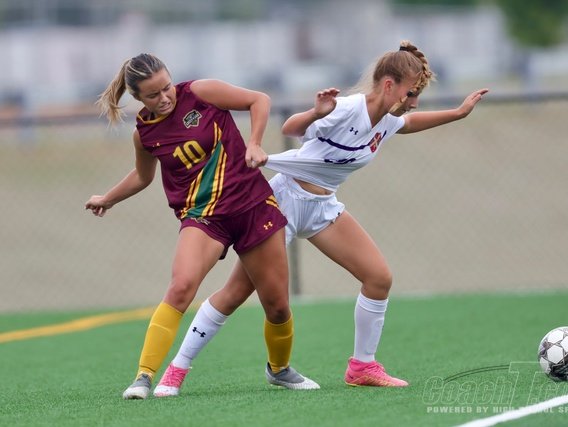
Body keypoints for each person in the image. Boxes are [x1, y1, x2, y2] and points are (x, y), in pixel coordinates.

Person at [154, 40, 488, 396]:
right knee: (235, 293)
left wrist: (458, 113)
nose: (414, 102)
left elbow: (408, 123)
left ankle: (362, 367)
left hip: (322, 207)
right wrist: (316, 113)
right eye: (411, 93)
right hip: (281, 202)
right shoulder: (348, 109)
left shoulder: (387, 120)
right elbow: (291, 128)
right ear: (389, 85)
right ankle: (176, 370)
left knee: (378, 278)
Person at [85, 53, 319, 400]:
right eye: (153, 95)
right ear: (137, 98)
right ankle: (143, 377)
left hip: (253, 207)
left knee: (277, 306)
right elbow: (143, 176)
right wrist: (108, 198)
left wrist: (254, 142)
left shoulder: (201, 92)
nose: (164, 97)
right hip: (203, 217)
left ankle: (279, 369)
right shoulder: (144, 135)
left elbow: (259, 100)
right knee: (181, 287)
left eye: (166, 87)